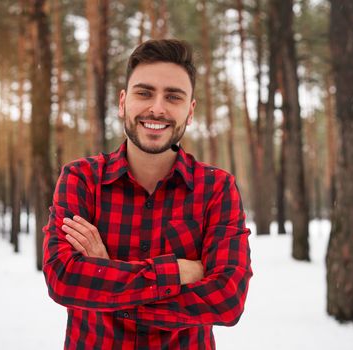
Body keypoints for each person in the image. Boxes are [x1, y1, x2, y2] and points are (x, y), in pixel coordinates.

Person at [43, 39, 252, 350]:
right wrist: (178, 272)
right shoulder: (81, 179)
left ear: (190, 111)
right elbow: (64, 278)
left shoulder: (217, 189)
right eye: (144, 93)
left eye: (173, 97)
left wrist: (107, 277)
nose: (157, 108)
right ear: (123, 102)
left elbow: (226, 300)